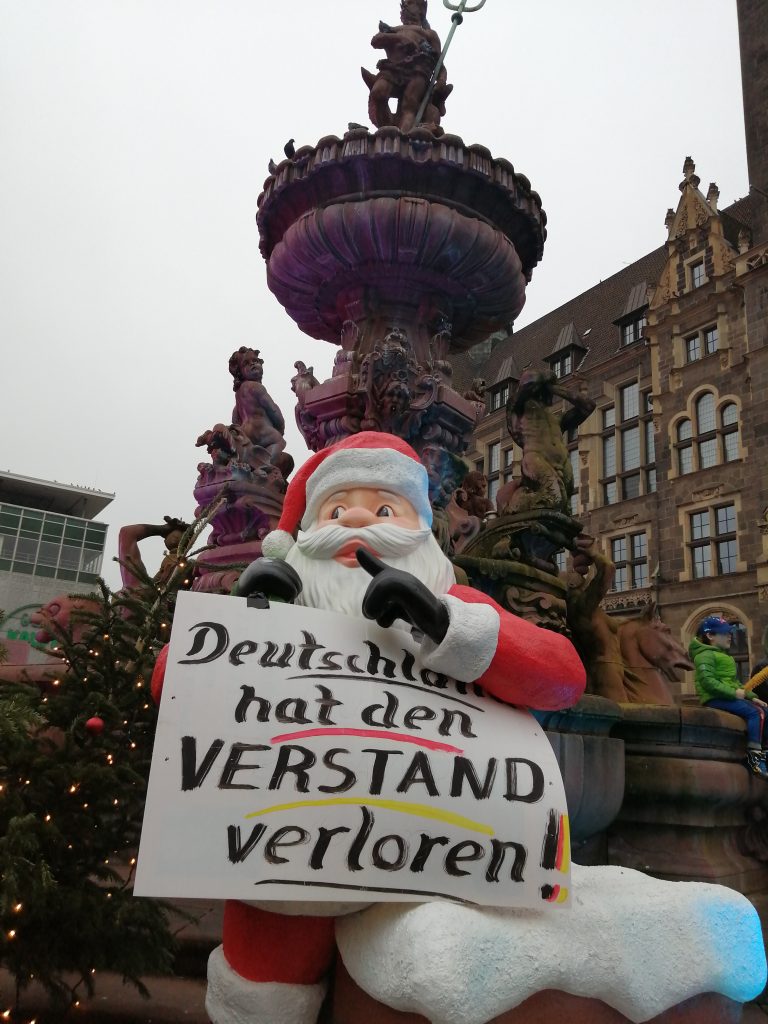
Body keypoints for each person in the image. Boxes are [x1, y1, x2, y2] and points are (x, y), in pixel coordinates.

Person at [156, 432, 586, 1024]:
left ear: (420, 530)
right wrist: (244, 621)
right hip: (284, 871)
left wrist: (445, 624)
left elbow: (561, 676)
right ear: (304, 536)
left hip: (433, 866)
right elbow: (169, 684)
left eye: (384, 508)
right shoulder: (282, 600)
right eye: (335, 511)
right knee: (258, 1001)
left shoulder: (453, 605)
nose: (357, 521)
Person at [690, 615, 768, 779]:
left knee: (764, 710)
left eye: (730, 632)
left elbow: (735, 683)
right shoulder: (704, 655)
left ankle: (764, 750)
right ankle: (754, 757)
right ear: (710, 635)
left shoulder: (723, 655)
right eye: (724, 633)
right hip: (715, 699)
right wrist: (734, 693)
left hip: (726, 696)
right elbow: (708, 682)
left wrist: (751, 696)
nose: (730, 636)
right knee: (756, 713)